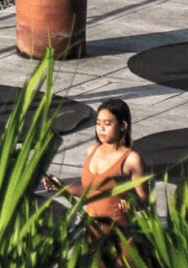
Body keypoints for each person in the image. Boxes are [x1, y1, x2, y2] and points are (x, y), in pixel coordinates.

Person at [42, 98, 147, 243]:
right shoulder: (92, 151)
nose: (101, 129)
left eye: (107, 124)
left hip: (122, 238)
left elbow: (144, 200)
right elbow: (90, 193)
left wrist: (132, 201)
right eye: (98, 123)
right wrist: (60, 187)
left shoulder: (131, 159)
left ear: (123, 125)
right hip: (93, 235)